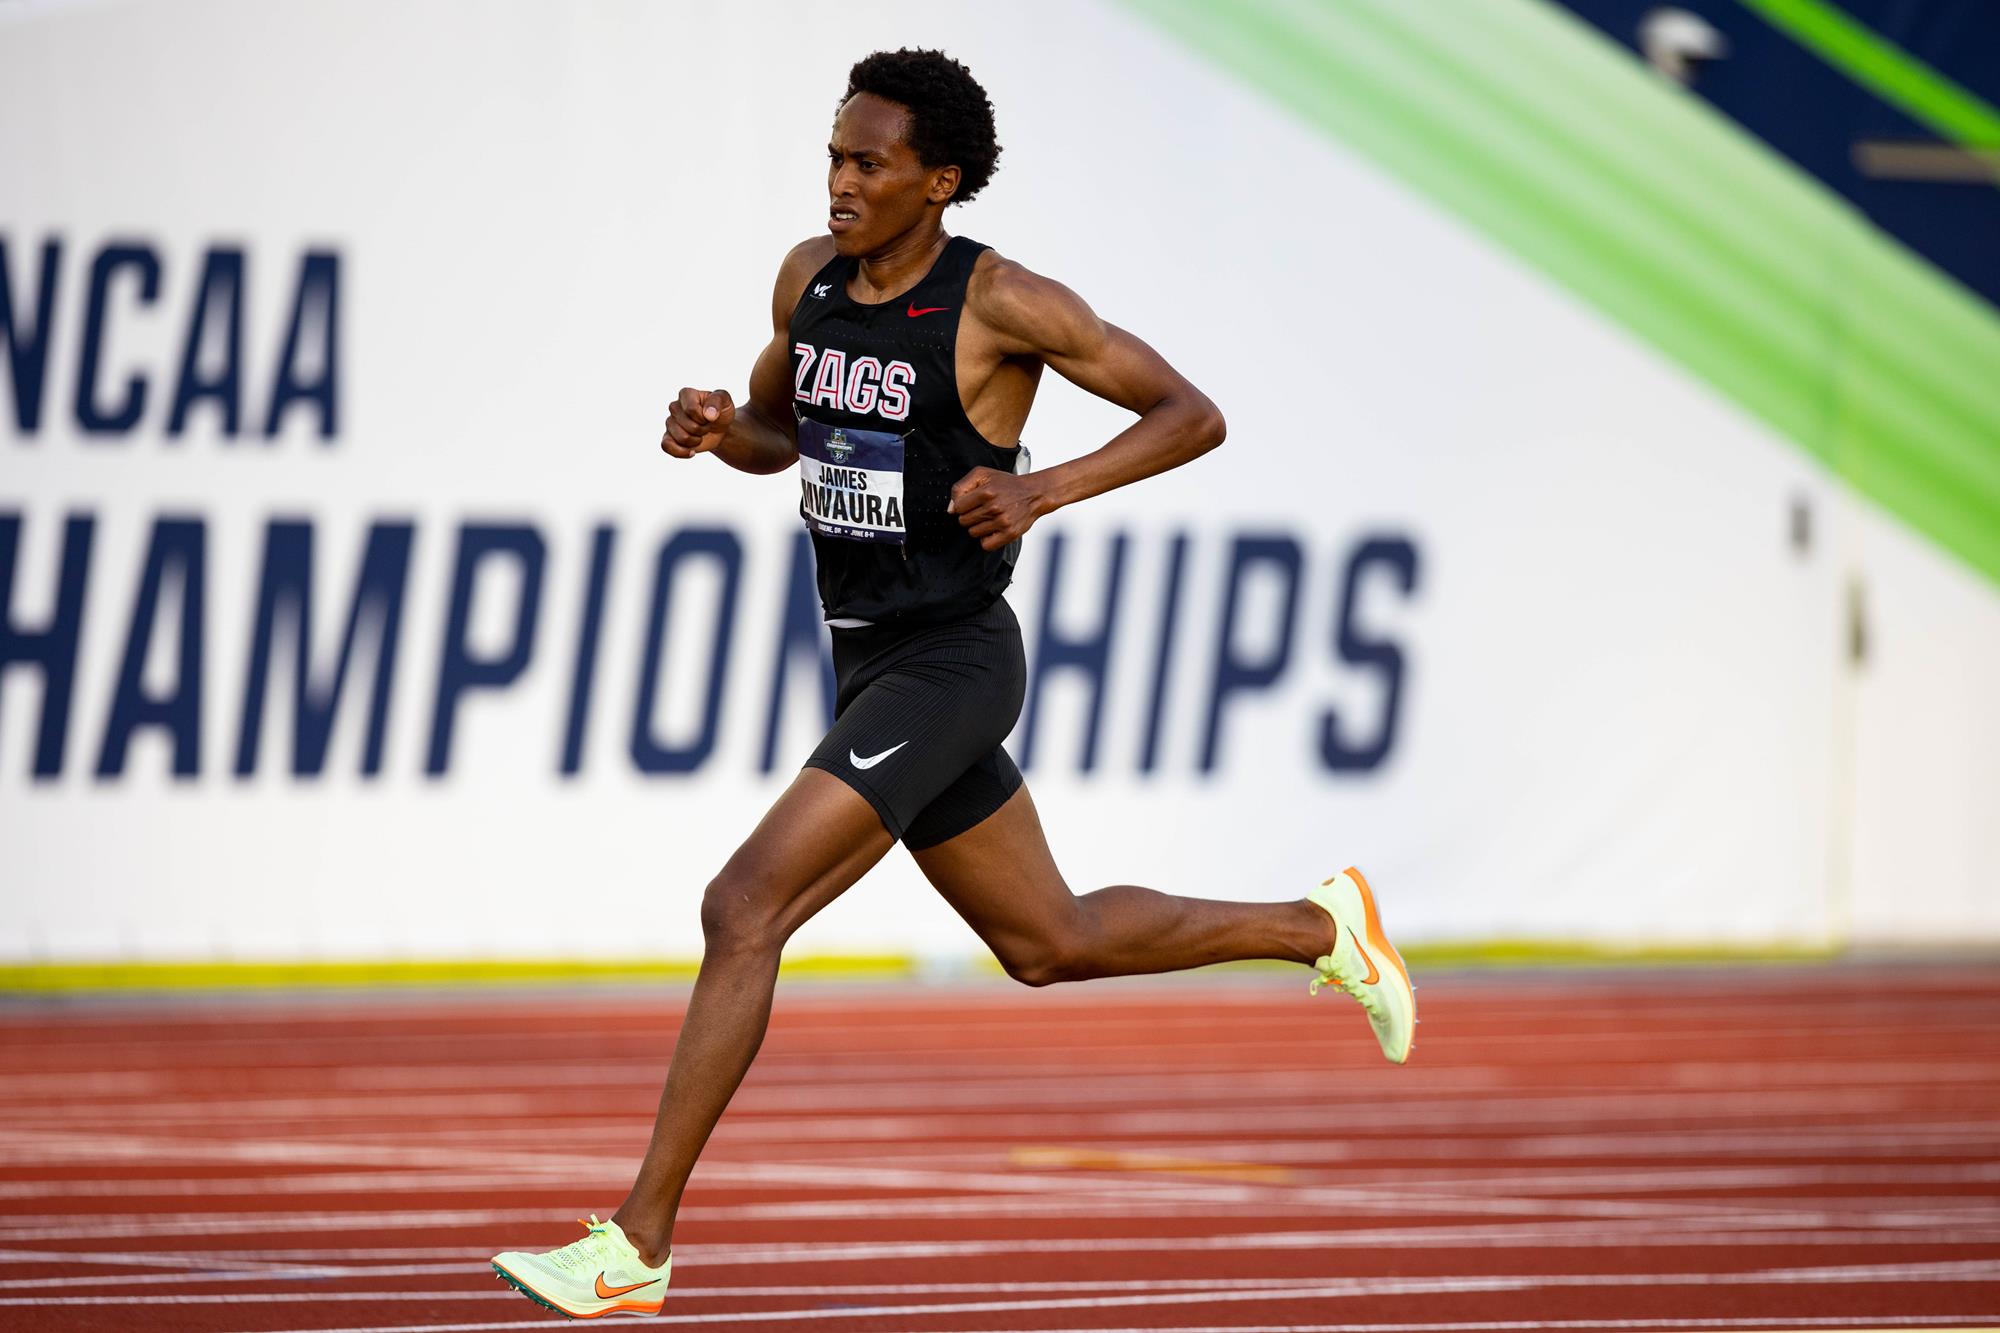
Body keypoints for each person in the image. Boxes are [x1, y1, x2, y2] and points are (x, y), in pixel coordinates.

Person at [492, 47, 1414, 1320]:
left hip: (953, 661)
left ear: (941, 182)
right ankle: (1319, 927)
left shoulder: (1003, 302)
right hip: (864, 654)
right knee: (1048, 942)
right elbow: (780, 440)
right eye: (831, 156)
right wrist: (719, 434)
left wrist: (1041, 487)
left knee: (743, 904)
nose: (838, 183)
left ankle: (635, 1243)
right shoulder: (807, 281)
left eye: (868, 164)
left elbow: (1188, 413)